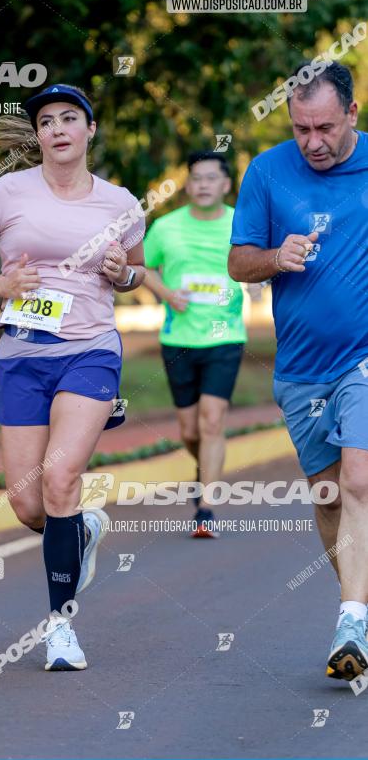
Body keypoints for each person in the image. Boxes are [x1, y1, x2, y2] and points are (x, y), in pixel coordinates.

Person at [0, 83, 146, 671]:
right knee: (29, 505)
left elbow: (136, 273)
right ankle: (79, 531)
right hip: (22, 353)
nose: (57, 128)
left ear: (89, 130)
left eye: (69, 118)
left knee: (60, 476)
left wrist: (123, 273)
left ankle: (61, 627)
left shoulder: (121, 204)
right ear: (38, 136)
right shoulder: (7, 193)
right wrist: (3, 285)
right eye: (46, 121)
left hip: (89, 349)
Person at [228, 62, 368, 681]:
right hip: (301, 370)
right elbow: (237, 262)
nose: (313, 141)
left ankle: (350, 622)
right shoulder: (266, 172)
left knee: (360, 480)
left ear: (353, 116)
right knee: (331, 496)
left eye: (325, 128)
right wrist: (274, 259)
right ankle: (360, 607)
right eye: (301, 127)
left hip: (363, 360)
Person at [143, 151, 252, 538]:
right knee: (190, 430)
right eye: (196, 178)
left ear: (225, 185)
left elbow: (258, 264)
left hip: (225, 336)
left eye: (211, 178)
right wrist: (167, 293)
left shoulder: (242, 223)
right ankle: (203, 469)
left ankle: (206, 508)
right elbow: (141, 267)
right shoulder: (166, 227)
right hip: (178, 338)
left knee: (211, 420)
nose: (203, 184)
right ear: (187, 185)